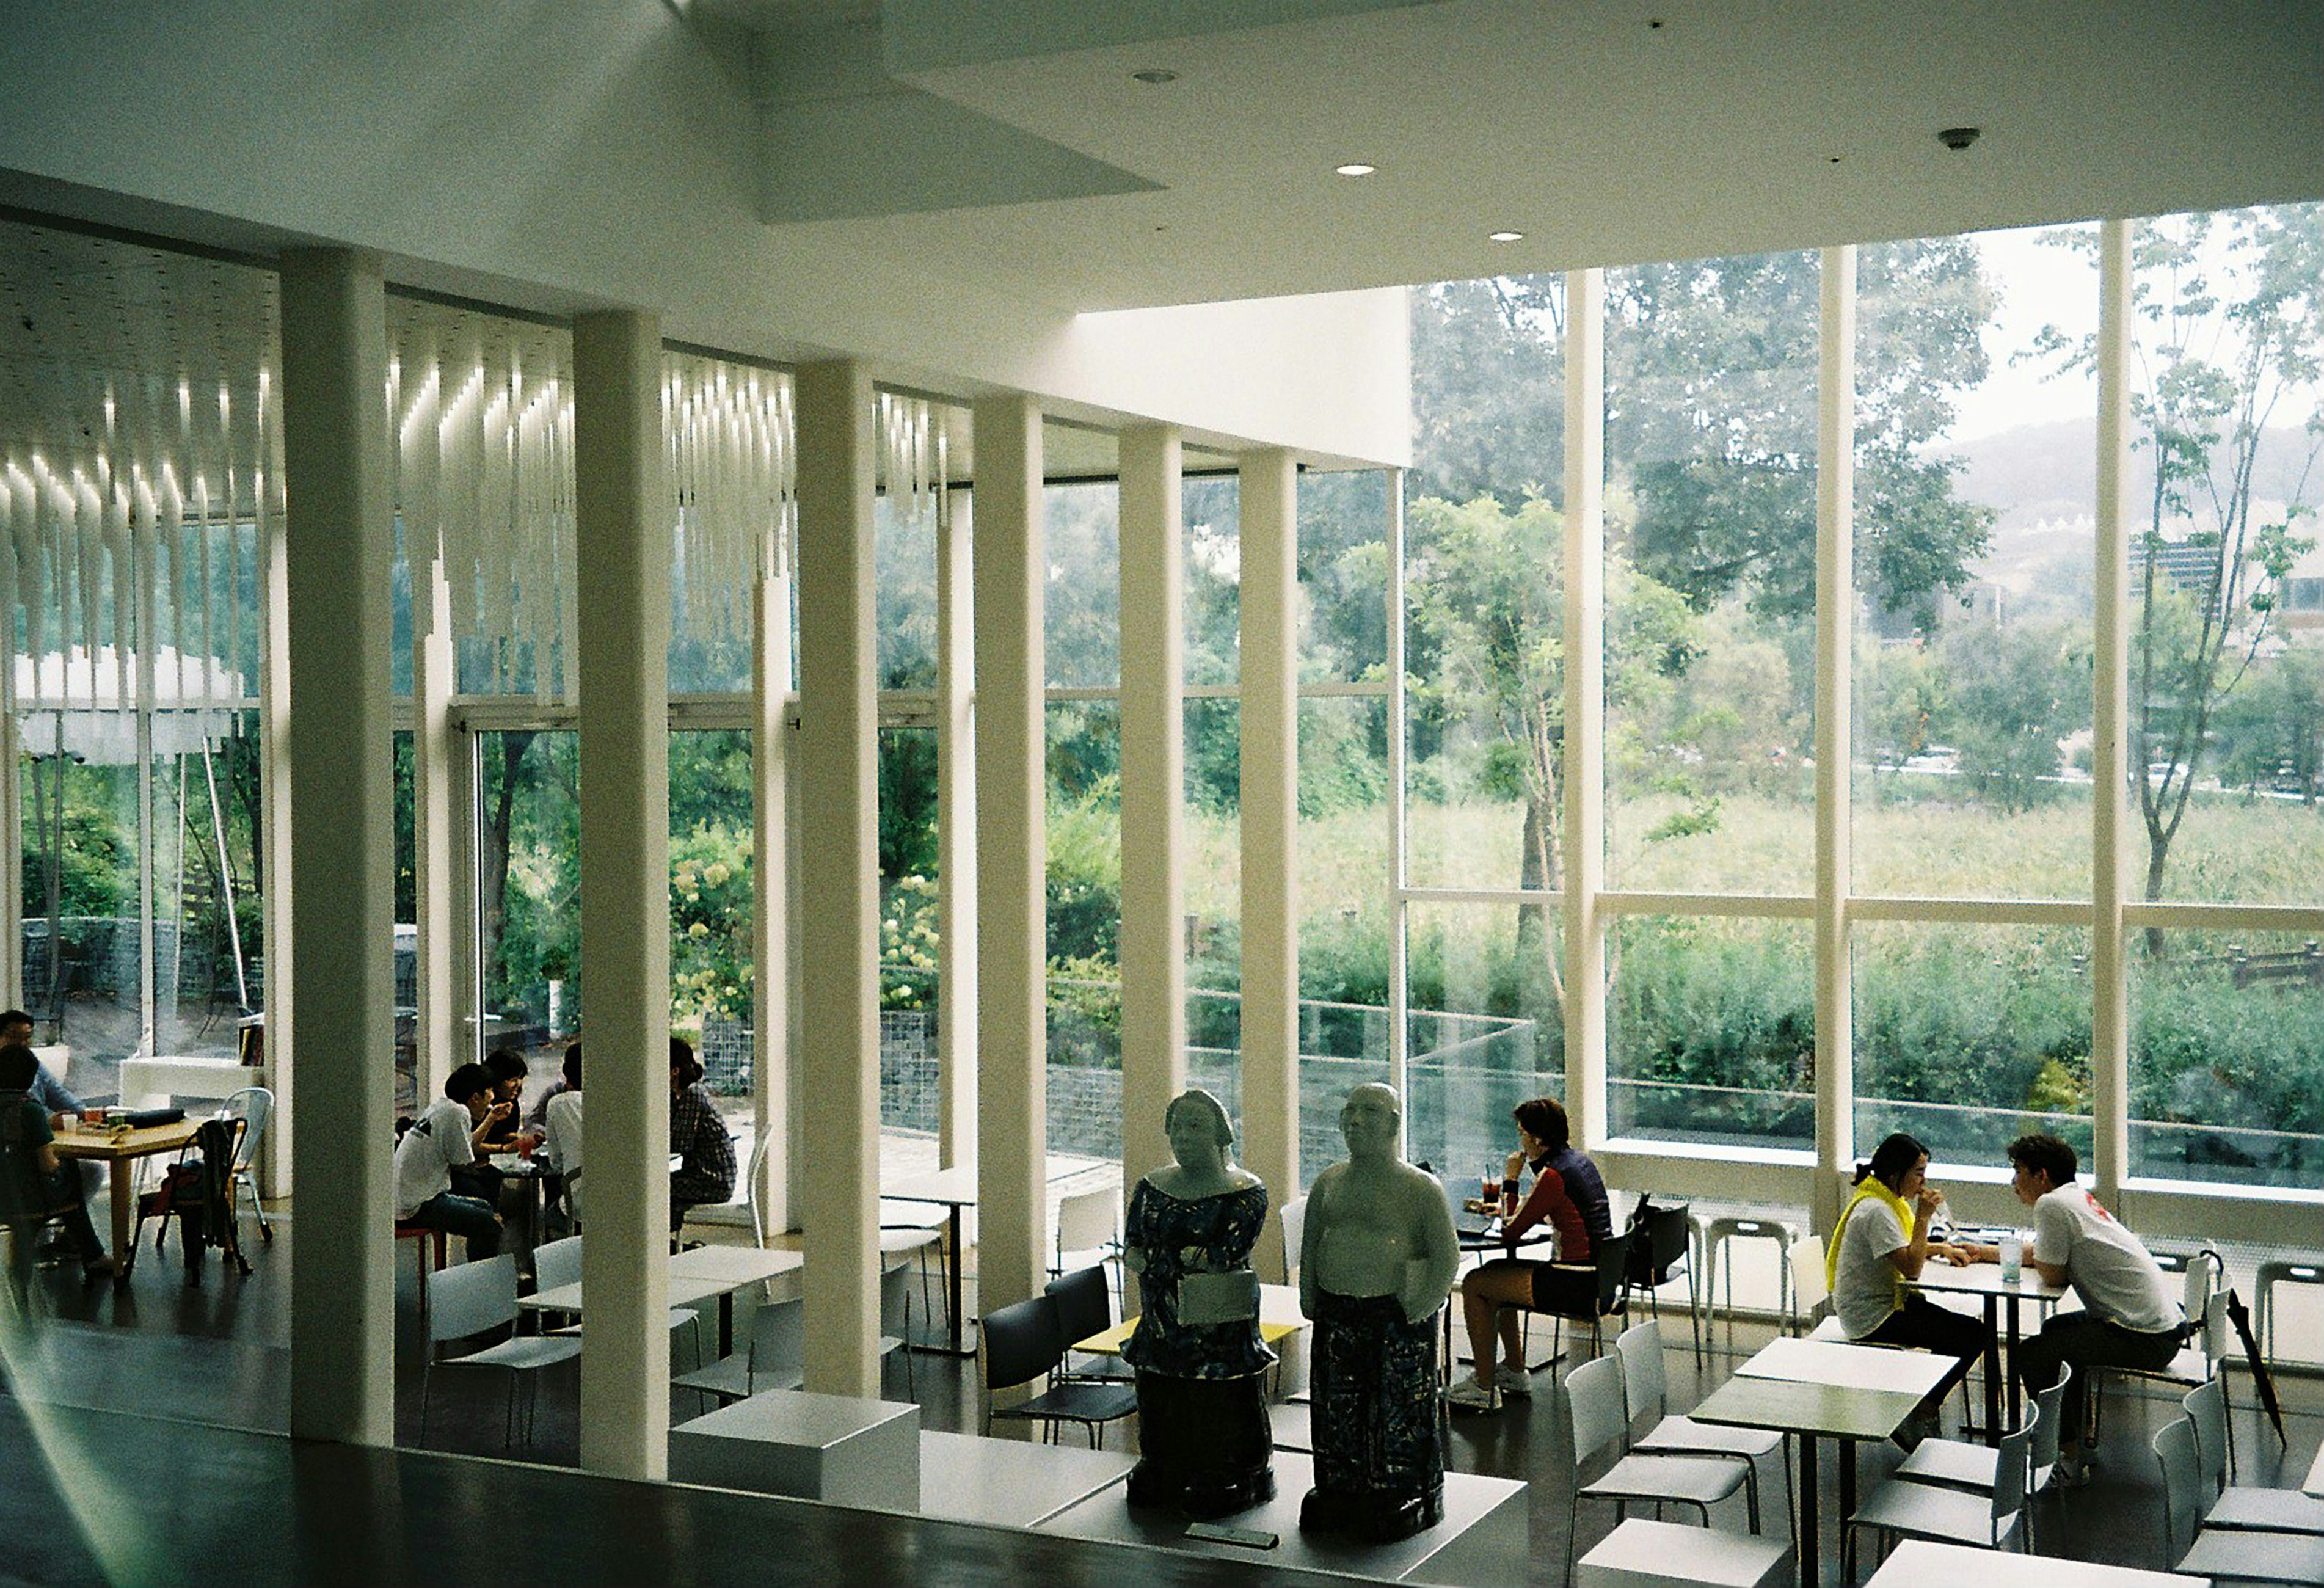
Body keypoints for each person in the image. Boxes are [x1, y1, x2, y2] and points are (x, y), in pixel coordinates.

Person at [1299, 1082, 1462, 1542]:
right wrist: (1308, 1295)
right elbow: (1311, 1244)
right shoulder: (1330, 1181)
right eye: (1349, 1111)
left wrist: (1419, 1309)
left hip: (1395, 1318)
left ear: (1393, 1124)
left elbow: (1445, 1257)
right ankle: (1340, 1482)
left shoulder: (1419, 1188)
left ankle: (1403, 1486)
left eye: (1369, 1112)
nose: (1355, 1121)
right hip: (1336, 1313)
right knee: (1337, 1405)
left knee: (1397, 1407)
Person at [1121, 1088, 1277, 1517]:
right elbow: (1133, 1246)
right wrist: (1175, 1258)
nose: (1183, 1136)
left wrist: (1162, 1258)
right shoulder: (1152, 1188)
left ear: (1220, 1134)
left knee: (1219, 1400)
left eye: (1196, 1126)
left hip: (1217, 1323)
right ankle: (1163, 1466)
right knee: (1161, 1395)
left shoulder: (1244, 1192)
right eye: (1177, 1126)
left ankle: (1233, 1472)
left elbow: (1219, 1256)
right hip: (1161, 1320)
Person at [2000, 1131, 2183, 1486]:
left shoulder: (2051, 1205)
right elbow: (2045, 1256)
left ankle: (2066, 1457)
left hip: (2142, 1337)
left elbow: (2051, 1274)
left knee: (2033, 1354)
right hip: (2163, 1328)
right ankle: (2080, 1441)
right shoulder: (2076, 1199)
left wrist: (2038, 1259)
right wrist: (1986, 1253)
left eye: (2019, 1171)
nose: (2013, 1182)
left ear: (2041, 1175)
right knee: (2056, 1334)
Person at [1448, 1095, 1611, 1410]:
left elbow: (1510, 1230)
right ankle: (1513, 1369)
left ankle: (1483, 1387)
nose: (1520, 1141)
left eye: (1522, 1133)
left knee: (1475, 1283)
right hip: (1599, 1277)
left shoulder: (1553, 1175)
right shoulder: (1579, 1162)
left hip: (1574, 1282)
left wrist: (1510, 1178)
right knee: (1498, 1275)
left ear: (1537, 1138)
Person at [1827, 1132, 1991, 1408]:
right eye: (1918, 1173)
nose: (1923, 1181)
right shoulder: (1876, 1211)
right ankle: (1922, 1406)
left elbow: (1903, 1249)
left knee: (1967, 1330)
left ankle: (1920, 1397)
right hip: (1871, 1317)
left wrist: (1941, 1249)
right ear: (1896, 1173)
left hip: (1884, 1305)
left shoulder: (1887, 1201)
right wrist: (1924, 1217)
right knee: (1973, 1335)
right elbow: (1912, 1268)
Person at [0, 1042, 114, 1285]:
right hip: (26, 1199)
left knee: (68, 1192)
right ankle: (92, 1255)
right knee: (71, 1185)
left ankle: (86, 1253)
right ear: (31, 1077)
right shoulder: (29, 1111)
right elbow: (48, 1165)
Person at [393, 1061, 508, 1260]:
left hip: (411, 1196)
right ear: (475, 1098)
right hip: (417, 1205)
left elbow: (466, 1147)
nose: (491, 1100)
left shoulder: (442, 1107)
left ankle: (478, 1271)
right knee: (489, 1224)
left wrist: (490, 1119)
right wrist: (496, 1154)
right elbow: (463, 1162)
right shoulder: (458, 1113)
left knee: (486, 1208)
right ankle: (480, 1280)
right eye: (489, 1094)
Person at [669, 1036, 735, 1234]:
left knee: (652, 1187)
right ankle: (668, 1244)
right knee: (659, 1185)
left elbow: (680, 1143)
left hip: (713, 1180)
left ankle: (660, 1247)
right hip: (706, 1175)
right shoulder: (684, 1094)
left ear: (675, 1070)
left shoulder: (692, 1094)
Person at [542, 1043, 584, 1226]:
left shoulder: (559, 1104)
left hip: (580, 1201)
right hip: (625, 1199)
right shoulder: (620, 1101)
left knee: (549, 1217)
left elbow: (556, 1161)